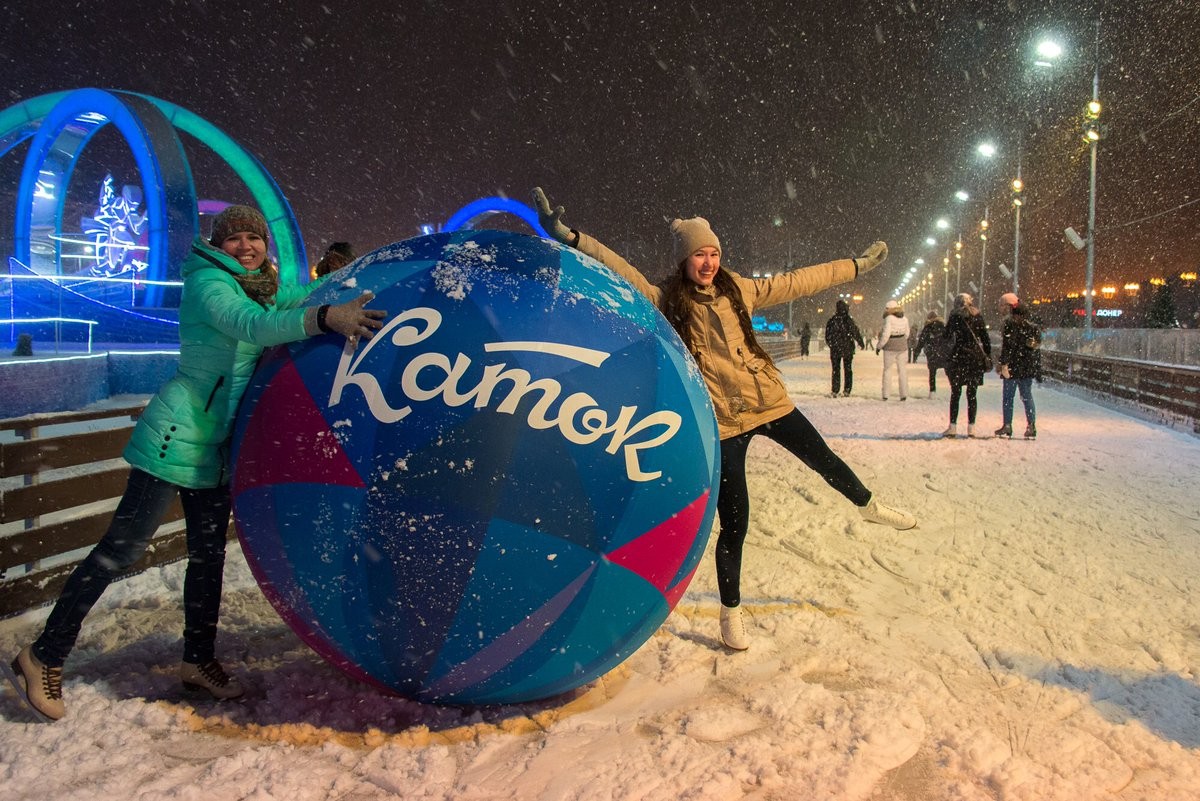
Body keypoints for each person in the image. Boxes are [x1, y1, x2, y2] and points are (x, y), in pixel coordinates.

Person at [6, 206, 387, 721]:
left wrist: (346, 280)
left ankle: (197, 660)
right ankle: (43, 654)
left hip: (213, 445)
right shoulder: (210, 283)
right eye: (237, 239)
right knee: (121, 551)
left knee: (208, 558)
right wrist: (321, 318)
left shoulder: (262, 285)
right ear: (219, 244)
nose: (247, 245)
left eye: (255, 237)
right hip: (175, 437)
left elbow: (301, 299)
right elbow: (250, 325)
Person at [532, 187, 916, 653]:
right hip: (724, 424)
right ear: (685, 260)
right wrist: (570, 237)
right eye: (699, 254)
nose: (709, 262)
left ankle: (868, 506)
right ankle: (730, 612)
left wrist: (857, 266)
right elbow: (622, 272)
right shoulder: (666, 300)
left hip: (769, 403)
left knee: (824, 459)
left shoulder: (742, 290)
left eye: (713, 252)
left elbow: (802, 280)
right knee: (736, 524)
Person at [941, 292, 991, 438]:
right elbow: (985, 339)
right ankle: (971, 428)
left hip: (959, 357)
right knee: (972, 394)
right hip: (975, 359)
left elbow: (946, 336)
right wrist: (986, 354)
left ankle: (953, 427)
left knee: (956, 393)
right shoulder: (978, 317)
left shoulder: (955, 316)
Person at [994, 292, 1042, 439]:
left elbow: (1007, 347)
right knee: (1026, 396)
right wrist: (1037, 369)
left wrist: (1003, 363)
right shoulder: (1033, 328)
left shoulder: (1010, 326)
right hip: (1026, 367)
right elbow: (1035, 349)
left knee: (1008, 397)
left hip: (1012, 366)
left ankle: (1007, 425)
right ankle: (1031, 425)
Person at [824, 299, 865, 397]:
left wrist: (832, 344)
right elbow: (855, 332)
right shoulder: (848, 320)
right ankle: (847, 389)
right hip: (847, 348)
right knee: (848, 369)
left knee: (836, 369)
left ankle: (835, 390)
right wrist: (860, 342)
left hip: (835, 349)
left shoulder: (832, 320)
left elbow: (827, 335)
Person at [873, 300, 910, 401]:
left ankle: (886, 394)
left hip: (890, 347)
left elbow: (886, 335)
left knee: (887, 370)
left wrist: (879, 346)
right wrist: (901, 341)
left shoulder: (889, 318)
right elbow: (907, 334)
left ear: (889, 309)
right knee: (902, 370)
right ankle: (904, 394)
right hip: (902, 346)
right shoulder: (905, 319)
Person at [916, 310, 949, 395]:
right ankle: (953, 387)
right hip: (943, 351)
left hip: (932, 352)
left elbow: (922, 340)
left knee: (932, 372)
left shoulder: (928, 327)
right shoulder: (943, 326)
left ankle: (932, 391)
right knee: (947, 370)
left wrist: (917, 350)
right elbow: (949, 338)